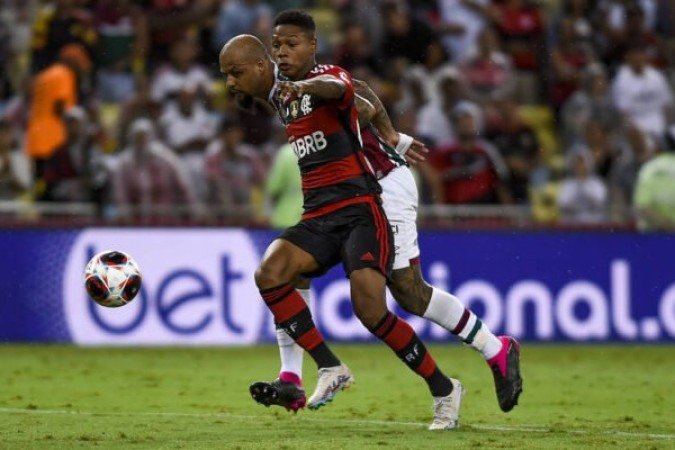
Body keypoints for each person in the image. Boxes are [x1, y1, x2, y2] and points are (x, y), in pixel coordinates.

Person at [221, 10, 522, 429]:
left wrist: (389, 134)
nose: (283, 52)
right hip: (337, 200)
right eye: (278, 46)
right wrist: (389, 129)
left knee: (407, 292)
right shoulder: (280, 89)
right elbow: (358, 92)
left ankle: (493, 350)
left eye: (290, 44)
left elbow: (350, 90)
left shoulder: (314, 80)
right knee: (291, 270)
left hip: (381, 184)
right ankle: (292, 376)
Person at [25, 44, 92, 179]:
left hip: (35, 136)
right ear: (71, 62)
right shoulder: (64, 75)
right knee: (52, 181)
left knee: (39, 180)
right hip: (52, 138)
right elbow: (60, 106)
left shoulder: (45, 74)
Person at [633, 125, 675, 231]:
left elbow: (642, 207)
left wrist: (668, 226)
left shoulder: (649, 168)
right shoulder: (649, 169)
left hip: (655, 235)